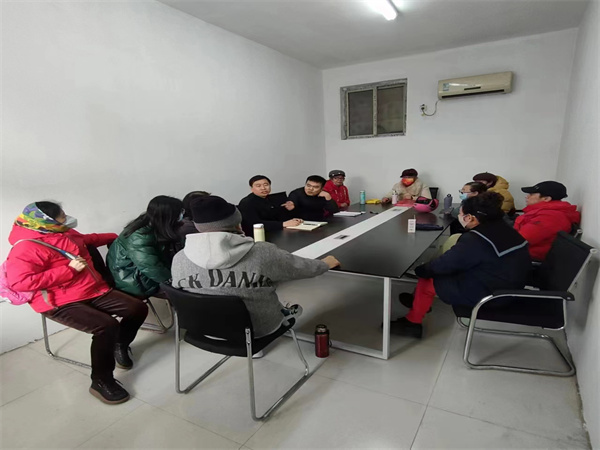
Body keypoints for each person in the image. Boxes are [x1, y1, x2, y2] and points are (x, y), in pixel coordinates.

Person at [6, 202, 148, 404]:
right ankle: (101, 381)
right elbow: (20, 282)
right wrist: (69, 270)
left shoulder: (63, 232)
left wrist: (117, 237)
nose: (66, 219)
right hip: (59, 301)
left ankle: (120, 344)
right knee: (106, 326)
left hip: (91, 289)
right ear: (46, 222)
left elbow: (87, 239)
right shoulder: (26, 247)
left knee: (137, 308)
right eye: (62, 217)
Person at [171, 196, 341, 338]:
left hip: (202, 328)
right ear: (237, 221)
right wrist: (325, 264)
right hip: (256, 329)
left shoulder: (179, 258)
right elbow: (302, 268)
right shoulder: (261, 252)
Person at [392, 192, 531, 338]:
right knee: (433, 271)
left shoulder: (476, 239)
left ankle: (412, 323)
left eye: (461, 213)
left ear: (470, 218)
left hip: (494, 294)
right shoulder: (504, 228)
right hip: (510, 285)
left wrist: (421, 270)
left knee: (428, 279)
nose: (459, 216)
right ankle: (418, 304)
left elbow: (446, 264)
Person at [107, 195, 184, 298]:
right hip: (134, 281)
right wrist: (174, 281)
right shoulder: (139, 238)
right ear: (167, 217)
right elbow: (152, 267)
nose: (181, 215)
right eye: (179, 213)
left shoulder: (154, 223)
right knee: (185, 292)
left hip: (144, 272)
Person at [514, 181, 580, 261]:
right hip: (522, 253)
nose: (527, 197)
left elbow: (519, 240)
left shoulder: (550, 217)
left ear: (546, 198)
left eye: (531, 194)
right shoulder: (545, 212)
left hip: (525, 257)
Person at [238, 175, 302, 237]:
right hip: (257, 235)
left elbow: (277, 216)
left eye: (266, 185)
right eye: (258, 186)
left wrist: (292, 217)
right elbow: (253, 224)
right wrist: (283, 224)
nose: (263, 188)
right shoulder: (246, 202)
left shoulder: (272, 198)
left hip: (276, 232)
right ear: (251, 189)